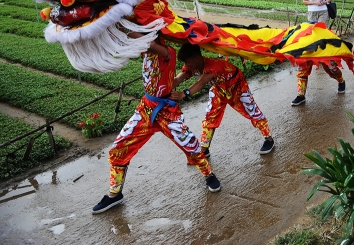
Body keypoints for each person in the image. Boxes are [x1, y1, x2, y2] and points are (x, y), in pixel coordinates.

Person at [93, 34, 220, 214]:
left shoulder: (167, 52)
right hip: (146, 108)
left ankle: (209, 175)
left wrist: (126, 23)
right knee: (119, 146)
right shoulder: (146, 50)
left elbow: (148, 42)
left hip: (166, 111)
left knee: (191, 145)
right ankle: (115, 194)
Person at [173, 44, 275, 156]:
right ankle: (204, 149)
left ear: (197, 58)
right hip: (218, 89)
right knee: (210, 116)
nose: (186, 65)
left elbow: (201, 82)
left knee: (252, 110)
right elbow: (178, 79)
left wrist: (184, 93)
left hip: (237, 86)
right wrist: (163, 86)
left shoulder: (213, 66)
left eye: (188, 62)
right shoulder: (191, 66)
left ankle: (269, 139)